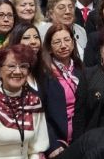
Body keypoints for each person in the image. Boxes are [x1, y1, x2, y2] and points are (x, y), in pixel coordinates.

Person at [0, 44, 50, 159]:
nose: (17, 71)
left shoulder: (34, 103)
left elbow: (37, 148)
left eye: (23, 66)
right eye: (11, 66)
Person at [40, 23, 83, 155]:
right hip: (56, 142)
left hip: (80, 139)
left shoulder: (80, 70)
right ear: (50, 48)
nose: (63, 45)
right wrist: (52, 144)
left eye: (67, 40)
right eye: (57, 42)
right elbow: (41, 115)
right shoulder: (44, 74)